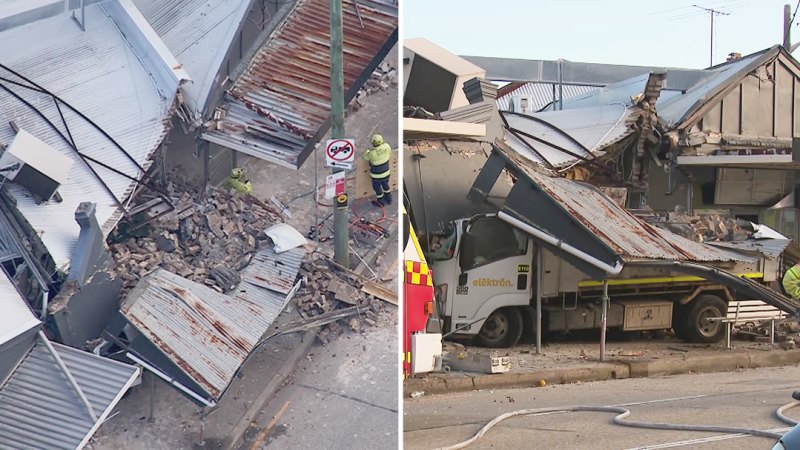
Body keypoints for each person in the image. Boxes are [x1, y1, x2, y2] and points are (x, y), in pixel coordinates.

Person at [364, 134, 392, 206]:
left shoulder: (372, 153)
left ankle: (381, 202)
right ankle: (389, 199)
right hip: (386, 172)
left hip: (377, 176)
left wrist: (367, 151)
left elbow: (365, 157)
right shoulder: (387, 146)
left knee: (377, 188)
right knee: (385, 185)